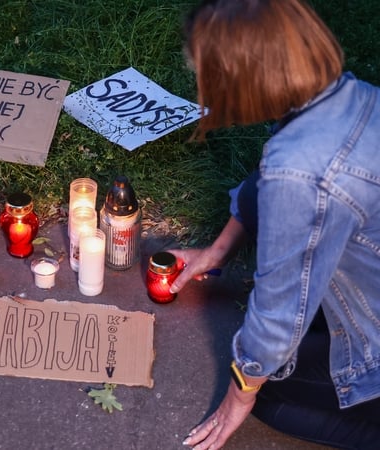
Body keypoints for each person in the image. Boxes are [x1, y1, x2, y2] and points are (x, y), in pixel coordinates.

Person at [170, 0, 380, 448]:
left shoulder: (300, 171)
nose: (200, 88)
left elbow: (279, 312)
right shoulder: (350, 97)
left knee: (272, 396)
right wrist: (217, 250)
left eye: (204, 77)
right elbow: (268, 183)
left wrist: (239, 396)